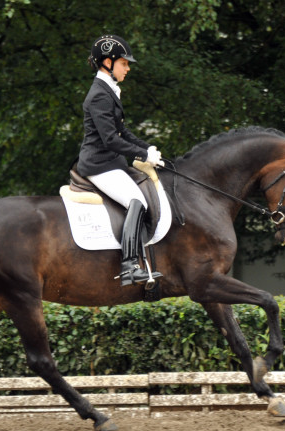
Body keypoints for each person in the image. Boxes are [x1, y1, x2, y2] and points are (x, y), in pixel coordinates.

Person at [77, 34, 164, 287]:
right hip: (99, 164)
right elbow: (110, 140)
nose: (128, 68)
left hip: (110, 161)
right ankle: (128, 267)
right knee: (137, 201)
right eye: (124, 63)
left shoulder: (109, 90)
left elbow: (122, 133)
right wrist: (143, 155)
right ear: (107, 62)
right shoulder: (99, 95)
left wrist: (148, 148)